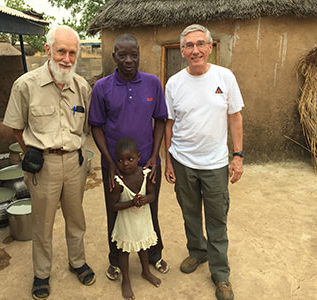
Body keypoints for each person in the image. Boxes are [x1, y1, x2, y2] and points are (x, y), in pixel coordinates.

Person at [3, 25, 95, 300]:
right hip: (43, 165)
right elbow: (16, 128)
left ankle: (77, 262)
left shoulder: (81, 86)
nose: (66, 58)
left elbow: (86, 127)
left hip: (75, 164)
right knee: (42, 223)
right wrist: (30, 152)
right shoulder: (25, 85)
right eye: (61, 51)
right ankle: (42, 273)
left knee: (76, 218)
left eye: (72, 53)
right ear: (48, 50)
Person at [164, 24, 244, 300]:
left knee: (217, 219)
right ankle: (197, 252)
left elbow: (235, 116)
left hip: (215, 165)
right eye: (189, 45)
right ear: (182, 51)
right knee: (189, 213)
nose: (195, 50)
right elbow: (169, 124)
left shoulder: (225, 77)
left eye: (200, 44)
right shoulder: (173, 83)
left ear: (210, 47)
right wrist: (169, 160)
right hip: (183, 161)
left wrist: (238, 155)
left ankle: (221, 274)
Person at [88, 33, 169, 281]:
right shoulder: (102, 87)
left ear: (139, 55)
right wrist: (111, 162)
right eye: (122, 55)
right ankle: (115, 260)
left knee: (149, 208)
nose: (129, 60)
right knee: (116, 213)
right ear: (114, 56)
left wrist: (155, 156)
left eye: (134, 55)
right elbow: (96, 126)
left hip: (146, 165)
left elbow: (160, 120)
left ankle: (154, 255)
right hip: (114, 168)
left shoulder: (152, 83)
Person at [109, 137, 161, 300]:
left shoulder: (145, 175)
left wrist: (146, 199)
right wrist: (131, 203)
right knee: (124, 251)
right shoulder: (118, 181)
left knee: (143, 246)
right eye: (120, 160)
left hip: (142, 221)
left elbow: (152, 194)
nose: (125, 164)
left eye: (130, 159)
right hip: (126, 223)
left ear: (138, 157)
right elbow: (113, 206)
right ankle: (126, 280)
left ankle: (146, 271)